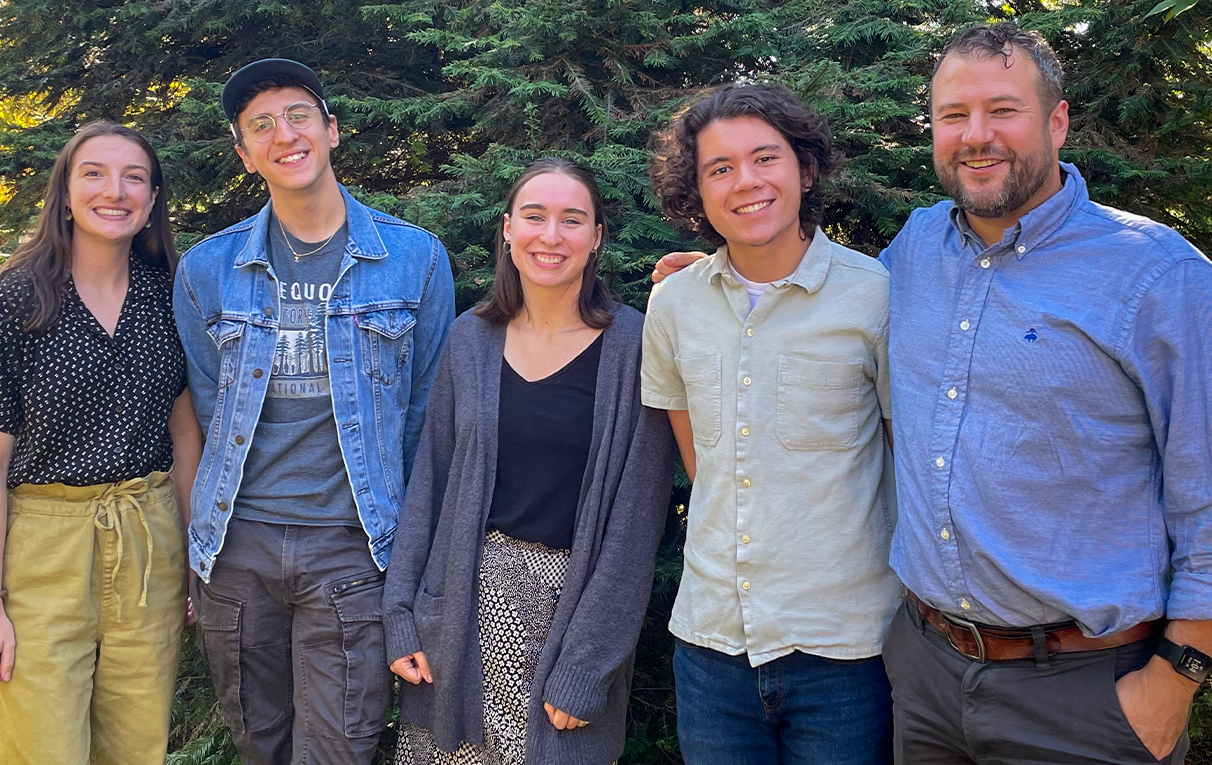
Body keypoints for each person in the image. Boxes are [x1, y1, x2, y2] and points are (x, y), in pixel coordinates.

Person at [655, 22, 1212, 765]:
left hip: (1085, 689)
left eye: (1003, 110)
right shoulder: (917, 252)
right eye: (954, 116)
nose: (975, 136)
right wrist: (716, 281)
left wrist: (1173, 682)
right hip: (925, 678)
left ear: (1057, 121)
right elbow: (801, 311)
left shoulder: (1156, 276)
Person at [173, 58, 454, 765]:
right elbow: (205, 419)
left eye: (298, 114)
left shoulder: (414, 258)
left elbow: (426, 423)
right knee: (259, 745)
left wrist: (419, 570)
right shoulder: (207, 269)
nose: (284, 133)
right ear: (244, 154)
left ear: (331, 129)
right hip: (237, 553)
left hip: (352, 550)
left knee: (339, 750)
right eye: (260, 125)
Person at [382, 158, 675, 765]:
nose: (551, 235)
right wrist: (401, 614)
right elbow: (429, 485)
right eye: (535, 217)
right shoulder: (470, 338)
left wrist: (589, 667)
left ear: (595, 238)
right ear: (508, 230)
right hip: (458, 611)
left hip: (568, 625)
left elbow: (635, 525)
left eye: (573, 220)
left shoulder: (635, 347)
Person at [640, 84, 897, 765]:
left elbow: (907, 456)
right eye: (719, 168)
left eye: (764, 159)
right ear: (695, 189)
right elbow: (704, 466)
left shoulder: (875, 296)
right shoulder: (674, 306)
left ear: (804, 169)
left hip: (845, 652)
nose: (744, 182)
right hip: (712, 647)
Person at [0, 121, 199, 764]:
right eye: (94, 173)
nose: (114, 190)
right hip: (41, 550)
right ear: (64, 193)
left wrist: (197, 564)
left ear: (152, 199)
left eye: (134, 177)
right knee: (40, 750)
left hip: (151, 542)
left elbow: (183, 436)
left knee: (135, 748)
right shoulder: (13, 302)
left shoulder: (170, 295)